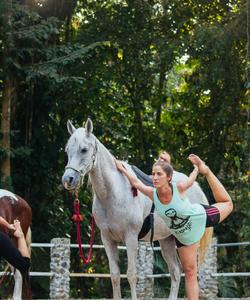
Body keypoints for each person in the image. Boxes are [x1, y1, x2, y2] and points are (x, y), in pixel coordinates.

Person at [115, 154, 233, 300]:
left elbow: (191, 180)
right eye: (153, 174)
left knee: (228, 203)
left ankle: (207, 171)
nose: (155, 177)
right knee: (190, 273)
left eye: (159, 174)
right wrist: (123, 169)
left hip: (200, 217)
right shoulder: (152, 194)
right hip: (185, 236)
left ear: (169, 177)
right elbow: (136, 183)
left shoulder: (179, 188)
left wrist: (198, 169)